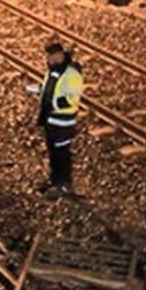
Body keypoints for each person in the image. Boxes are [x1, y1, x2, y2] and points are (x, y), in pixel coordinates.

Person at [26, 41, 83, 195]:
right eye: (49, 56)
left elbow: (72, 98)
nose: (50, 59)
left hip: (63, 121)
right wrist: (39, 91)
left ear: (61, 55)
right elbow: (50, 89)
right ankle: (54, 179)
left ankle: (64, 184)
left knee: (62, 153)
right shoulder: (53, 71)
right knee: (53, 152)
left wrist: (51, 102)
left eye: (53, 55)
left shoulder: (71, 74)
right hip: (51, 121)